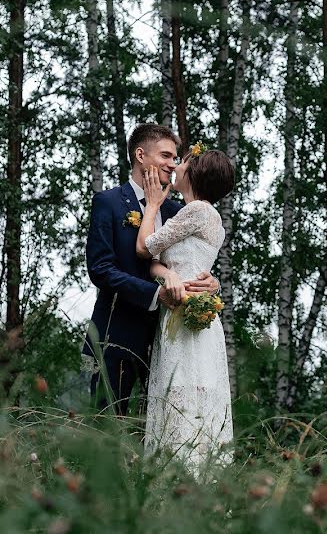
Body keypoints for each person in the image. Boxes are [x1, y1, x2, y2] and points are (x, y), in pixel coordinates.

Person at [84, 124, 218, 415]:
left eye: (176, 158)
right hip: (115, 334)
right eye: (167, 156)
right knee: (107, 427)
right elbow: (100, 269)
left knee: (159, 432)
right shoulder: (108, 202)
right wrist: (156, 295)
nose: (173, 164)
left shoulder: (177, 212)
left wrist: (210, 282)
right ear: (140, 155)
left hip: (168, 342)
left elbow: (188, 260)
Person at [135, 143, 235, 475]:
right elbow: (165, 265)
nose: (176, 166)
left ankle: (183, 475)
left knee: (181, 394)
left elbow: (146, 248)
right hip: (186, 313)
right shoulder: (209, 217)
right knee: (186, 395)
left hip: (184, 316)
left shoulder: (197, 211)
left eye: (183, 162)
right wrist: (169, 273)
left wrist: (151, 206)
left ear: (193, 173)